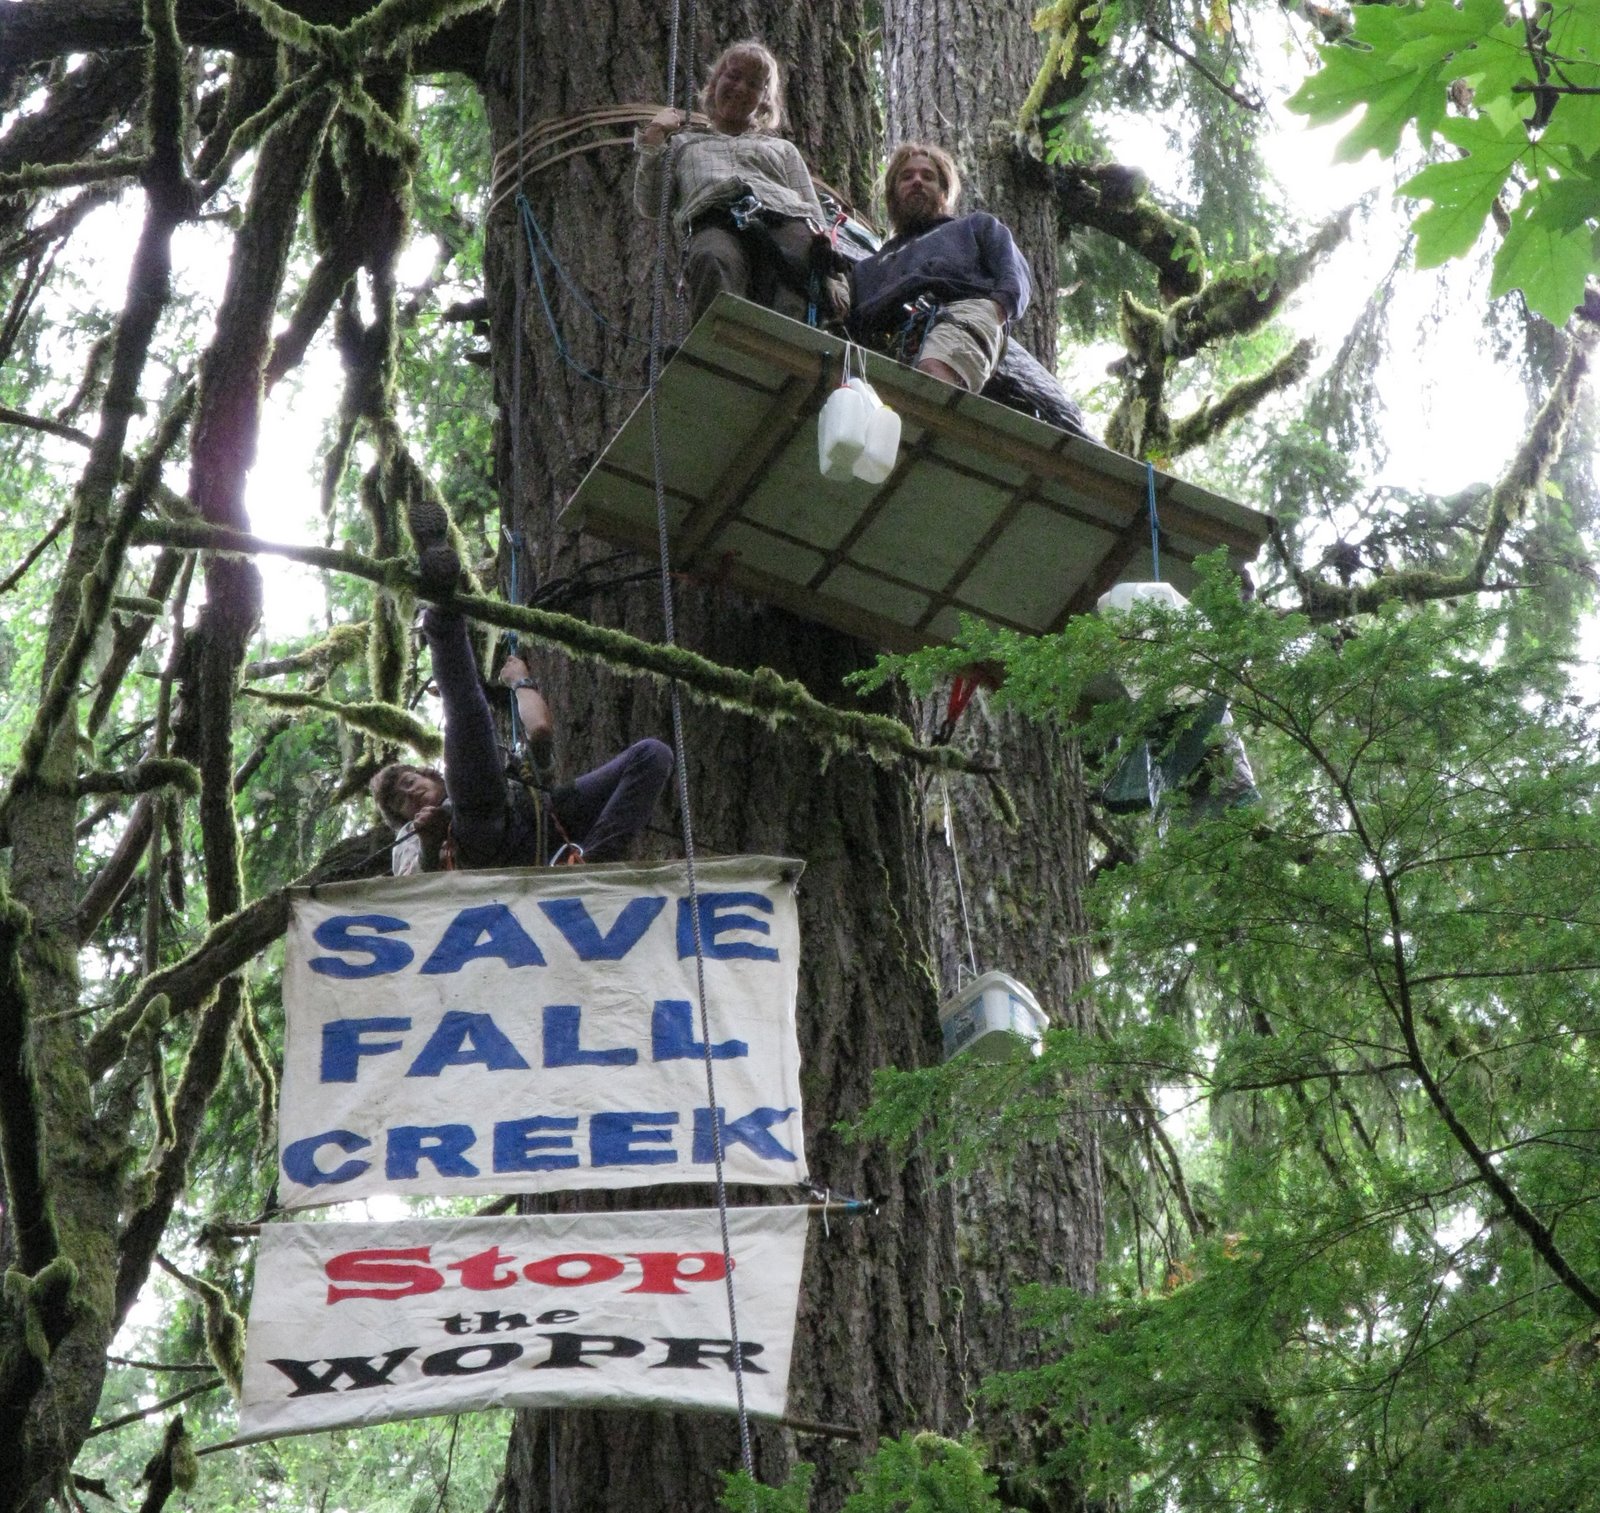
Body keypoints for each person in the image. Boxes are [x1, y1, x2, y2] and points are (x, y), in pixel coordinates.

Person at [370, 602, 674, 873]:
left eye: (409, 782)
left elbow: (539, 731)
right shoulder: (409, 835)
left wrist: (520, 681)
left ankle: (591, 866)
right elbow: (412, 891)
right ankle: (442, 623)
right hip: (480, 847)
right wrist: (430, 841)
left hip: (540, 823)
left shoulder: (513, 781)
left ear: (429, 775)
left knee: (652, 754)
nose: (410, 794)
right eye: (400, 800)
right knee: (467, 720)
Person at [634, 39, 843, 323]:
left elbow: (812, 209)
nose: (741, 88)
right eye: (733, 76)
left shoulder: (782, 149)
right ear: (715, 82)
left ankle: (789, 338)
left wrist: (832, 272)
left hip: (784, 217)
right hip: (716, 219)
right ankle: (722, 336)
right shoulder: (684, 145)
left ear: (764, 99)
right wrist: (655, 138)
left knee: (798, 258)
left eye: (754, 84)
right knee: (712, 257)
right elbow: (650, 205)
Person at [849, 142, 1031, 393]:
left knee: (933, 373)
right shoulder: (872, 266)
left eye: (928, 176)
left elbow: (1013, 272)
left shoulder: (975, 227)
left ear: (943, 192)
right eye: (907, 177)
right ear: (893, 195)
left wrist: (997, 308)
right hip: (894, 334)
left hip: (963, 310)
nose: (917, 181)